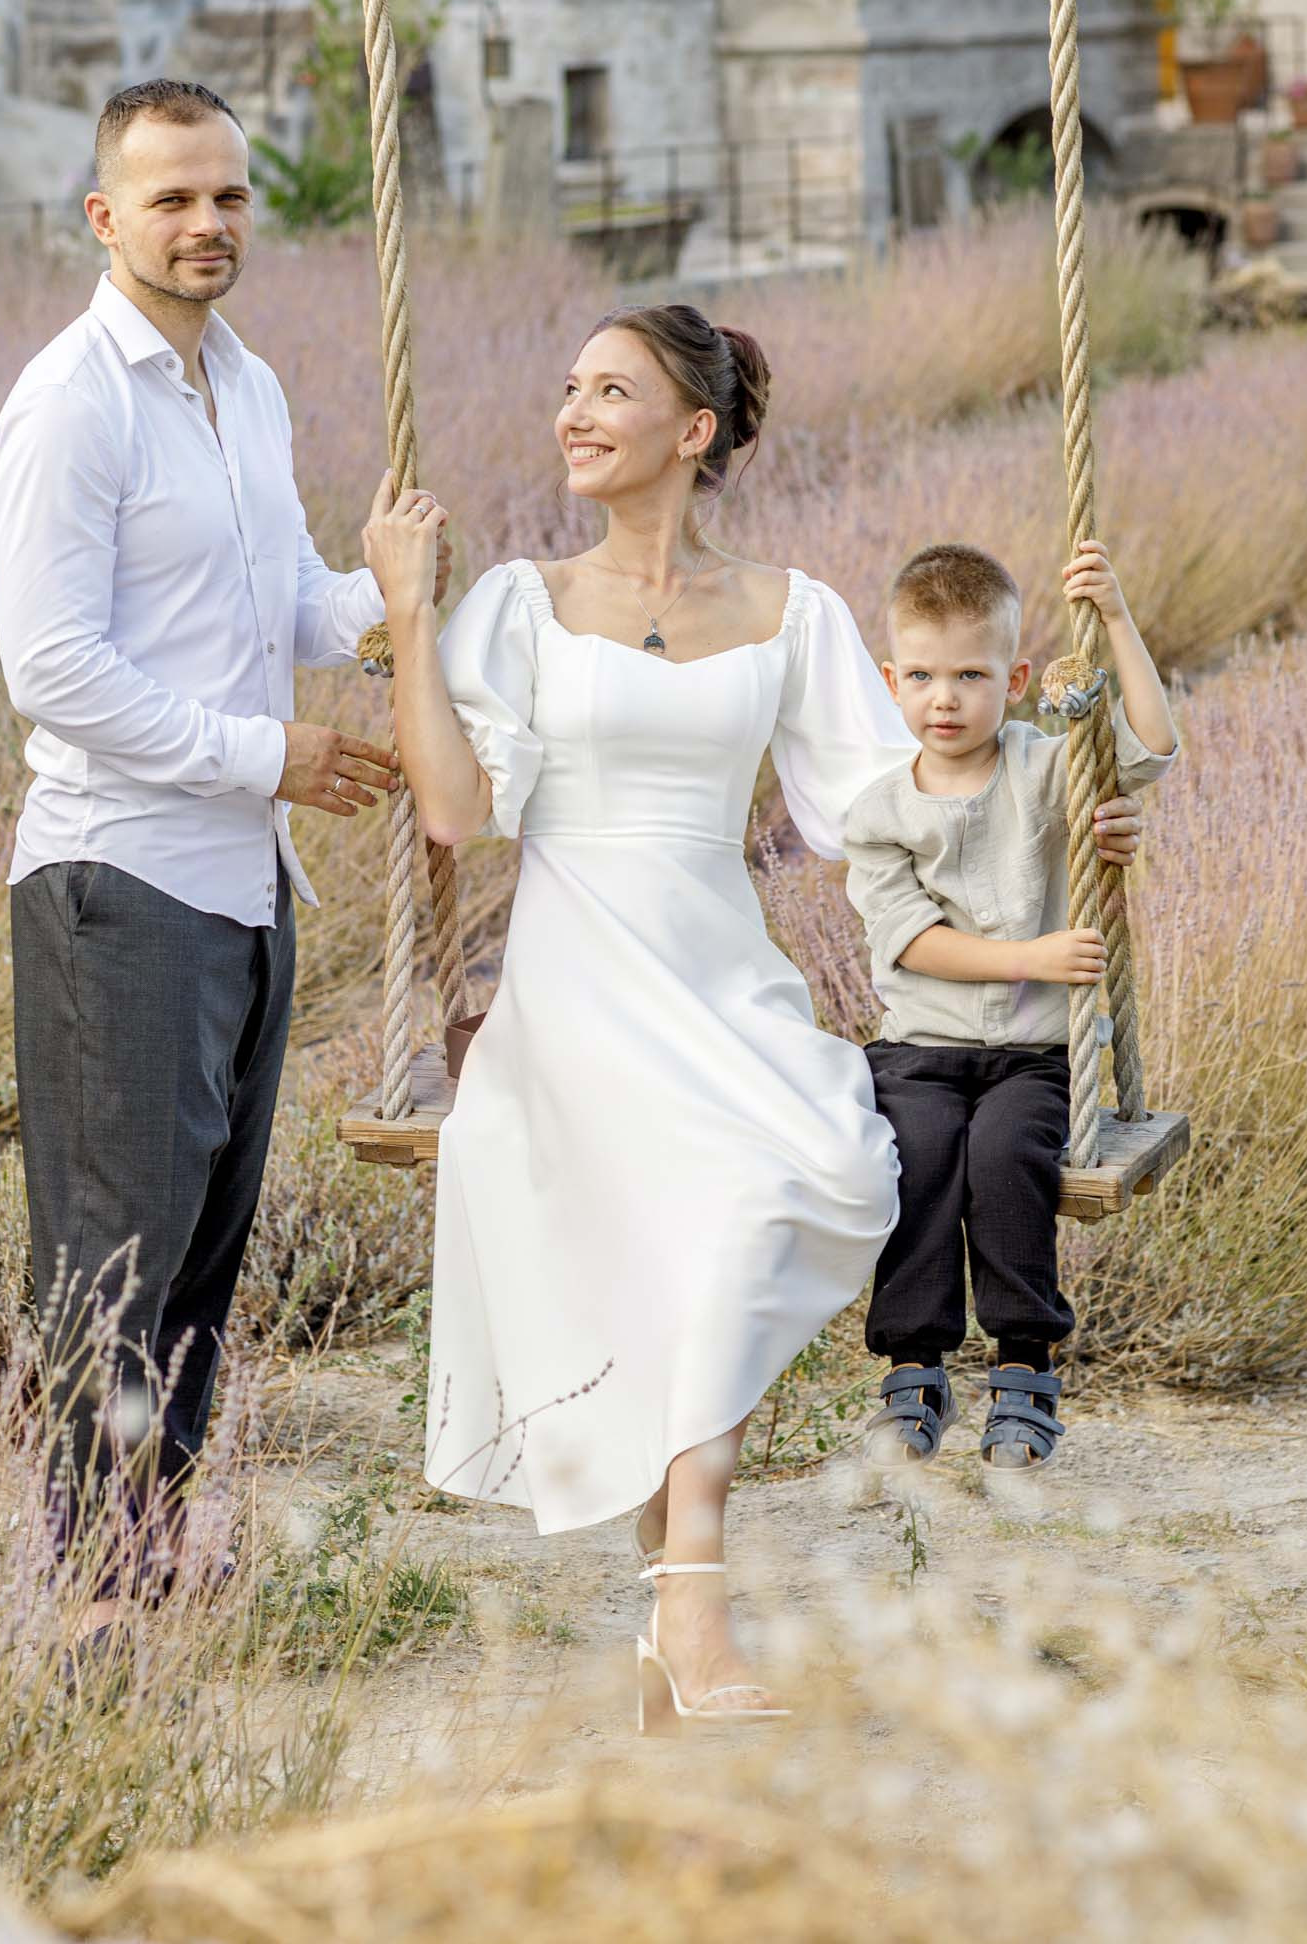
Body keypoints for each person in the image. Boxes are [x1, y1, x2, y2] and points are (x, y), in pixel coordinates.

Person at [360, 302, 914, 1731]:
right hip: (574, 986)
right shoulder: (520, 605)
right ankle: (694, 1604)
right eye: (568, 388)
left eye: (614, 391)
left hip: (719, 972)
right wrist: (413, 614)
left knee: (825, 1175)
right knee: (706, 1219)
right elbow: (452, 810)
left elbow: (880, 814)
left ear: (695, 430)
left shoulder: (794, 611)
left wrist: (1051, 796)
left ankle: (679, 1588)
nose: (576, 413)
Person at [0, 77, 437, 1579]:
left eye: (228, 194)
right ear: (104, 216)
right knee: (115, 1256)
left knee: (199, 1254)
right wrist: (271, 754)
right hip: (121, 881)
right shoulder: (72, 402)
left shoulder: (248, 383)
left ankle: (153, 1531)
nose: (206, 223)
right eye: (171, 198)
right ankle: (97, 1576)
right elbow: (50, 669)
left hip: (244, 882)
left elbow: (283, 602)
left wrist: (394, 594)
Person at [843, 538, 1178, 1470]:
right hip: (919, 1046)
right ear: (890, 680)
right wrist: (1031, 954)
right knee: (914, 1155)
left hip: (1036, 1055)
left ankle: (1025, 1369)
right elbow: (910, 943)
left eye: (969, 674)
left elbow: (1149, 747)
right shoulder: (878, 814)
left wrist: (1113, 615)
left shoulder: (1046, 771)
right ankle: (914, 1368)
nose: (942, 698)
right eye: (920, 675)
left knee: (1001, 1157)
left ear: (1018, 678)